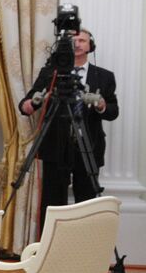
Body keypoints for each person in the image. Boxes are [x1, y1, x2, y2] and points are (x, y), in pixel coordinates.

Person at [19, 28, 118, 231]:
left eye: (82, 40)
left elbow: (113, 111)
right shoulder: (50, 73)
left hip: (89, 146)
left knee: (88, 202)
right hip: (55, 147)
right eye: (73, 40)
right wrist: (35, 101)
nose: (77, 43)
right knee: (52, 202)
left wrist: (100, 104)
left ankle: (85, 250)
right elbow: (25, 105)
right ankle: (49, 250)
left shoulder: (104, 76)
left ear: (91, 46)